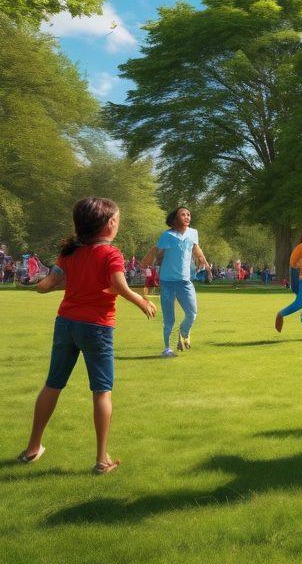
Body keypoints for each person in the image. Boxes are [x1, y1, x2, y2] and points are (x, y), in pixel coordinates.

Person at [18, 197, 156, 474]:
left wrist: (74, 284)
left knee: (53, 384)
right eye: (117, 219)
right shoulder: (111, 254)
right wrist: (142, 302)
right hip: (97, 327)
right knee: (102, 392)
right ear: (109, 224)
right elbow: (119, 286)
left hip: (66, 323)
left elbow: (44, 286)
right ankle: (101, 460)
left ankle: (33, 448)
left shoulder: (69, 253)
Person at [141, 206, 207, 358]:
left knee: (192, 313)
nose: (187, 217)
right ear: (175, 219)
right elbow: (156, 250)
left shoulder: (193, 233)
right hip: (167, 282)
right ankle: (167, 348)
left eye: (189, 214)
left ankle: (183, 332)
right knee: (169, 319)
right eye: (183, 214)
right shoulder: (168, 235)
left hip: (185, 282)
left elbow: (196, 248)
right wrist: (146, 261)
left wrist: (203, 260)